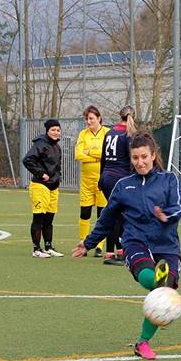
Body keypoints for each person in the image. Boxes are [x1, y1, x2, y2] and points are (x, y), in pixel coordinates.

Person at [72, 133, 181, 360]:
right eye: (135, 158)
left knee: (162, 291)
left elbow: (180, 205)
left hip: (167, 246)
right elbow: (106, 218)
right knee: (155, 283)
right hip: (135, 242)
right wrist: (88, 243)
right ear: (131, 159)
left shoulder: (169, 180)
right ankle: (161, 287)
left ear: (153, 155)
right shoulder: (123, 186)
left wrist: (167, 215)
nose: (140, 162)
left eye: (144, 156)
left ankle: (142, 342)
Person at [98, 105, 137, 266]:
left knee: (118, 214)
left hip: (107, 177)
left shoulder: (109, 132)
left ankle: (119, 251)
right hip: (120, 179)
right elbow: (132, 160)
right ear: (133, 117)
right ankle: (110, 254)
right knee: (118, 216)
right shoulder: (128, 134)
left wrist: (101, 178)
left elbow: (103, 158)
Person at [23, 119, 63, 258]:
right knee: (38, 218)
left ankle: (48, 246)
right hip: (40, 186)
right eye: (53, 130)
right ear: (47, 131)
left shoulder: (57, 147)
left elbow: (57, 167)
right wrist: (41, 174)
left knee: (49, 219)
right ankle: (36, 249)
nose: (56, 132)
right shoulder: (40, 144)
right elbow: (27, 160)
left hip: (53, 187)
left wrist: (57, 178)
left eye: (58, 130)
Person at [75, 105, 109, 257]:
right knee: (85, 213)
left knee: (102, 214)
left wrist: (90, 152)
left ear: (99, 118)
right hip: (86, 181)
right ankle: (83, 242)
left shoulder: (107, 133)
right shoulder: (83, 134)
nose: (88, 122)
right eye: (87, 119)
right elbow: (78, 155)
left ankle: (99, 245)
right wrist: (97, 155)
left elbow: (106, 154)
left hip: (102, 180)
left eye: (91, 119)